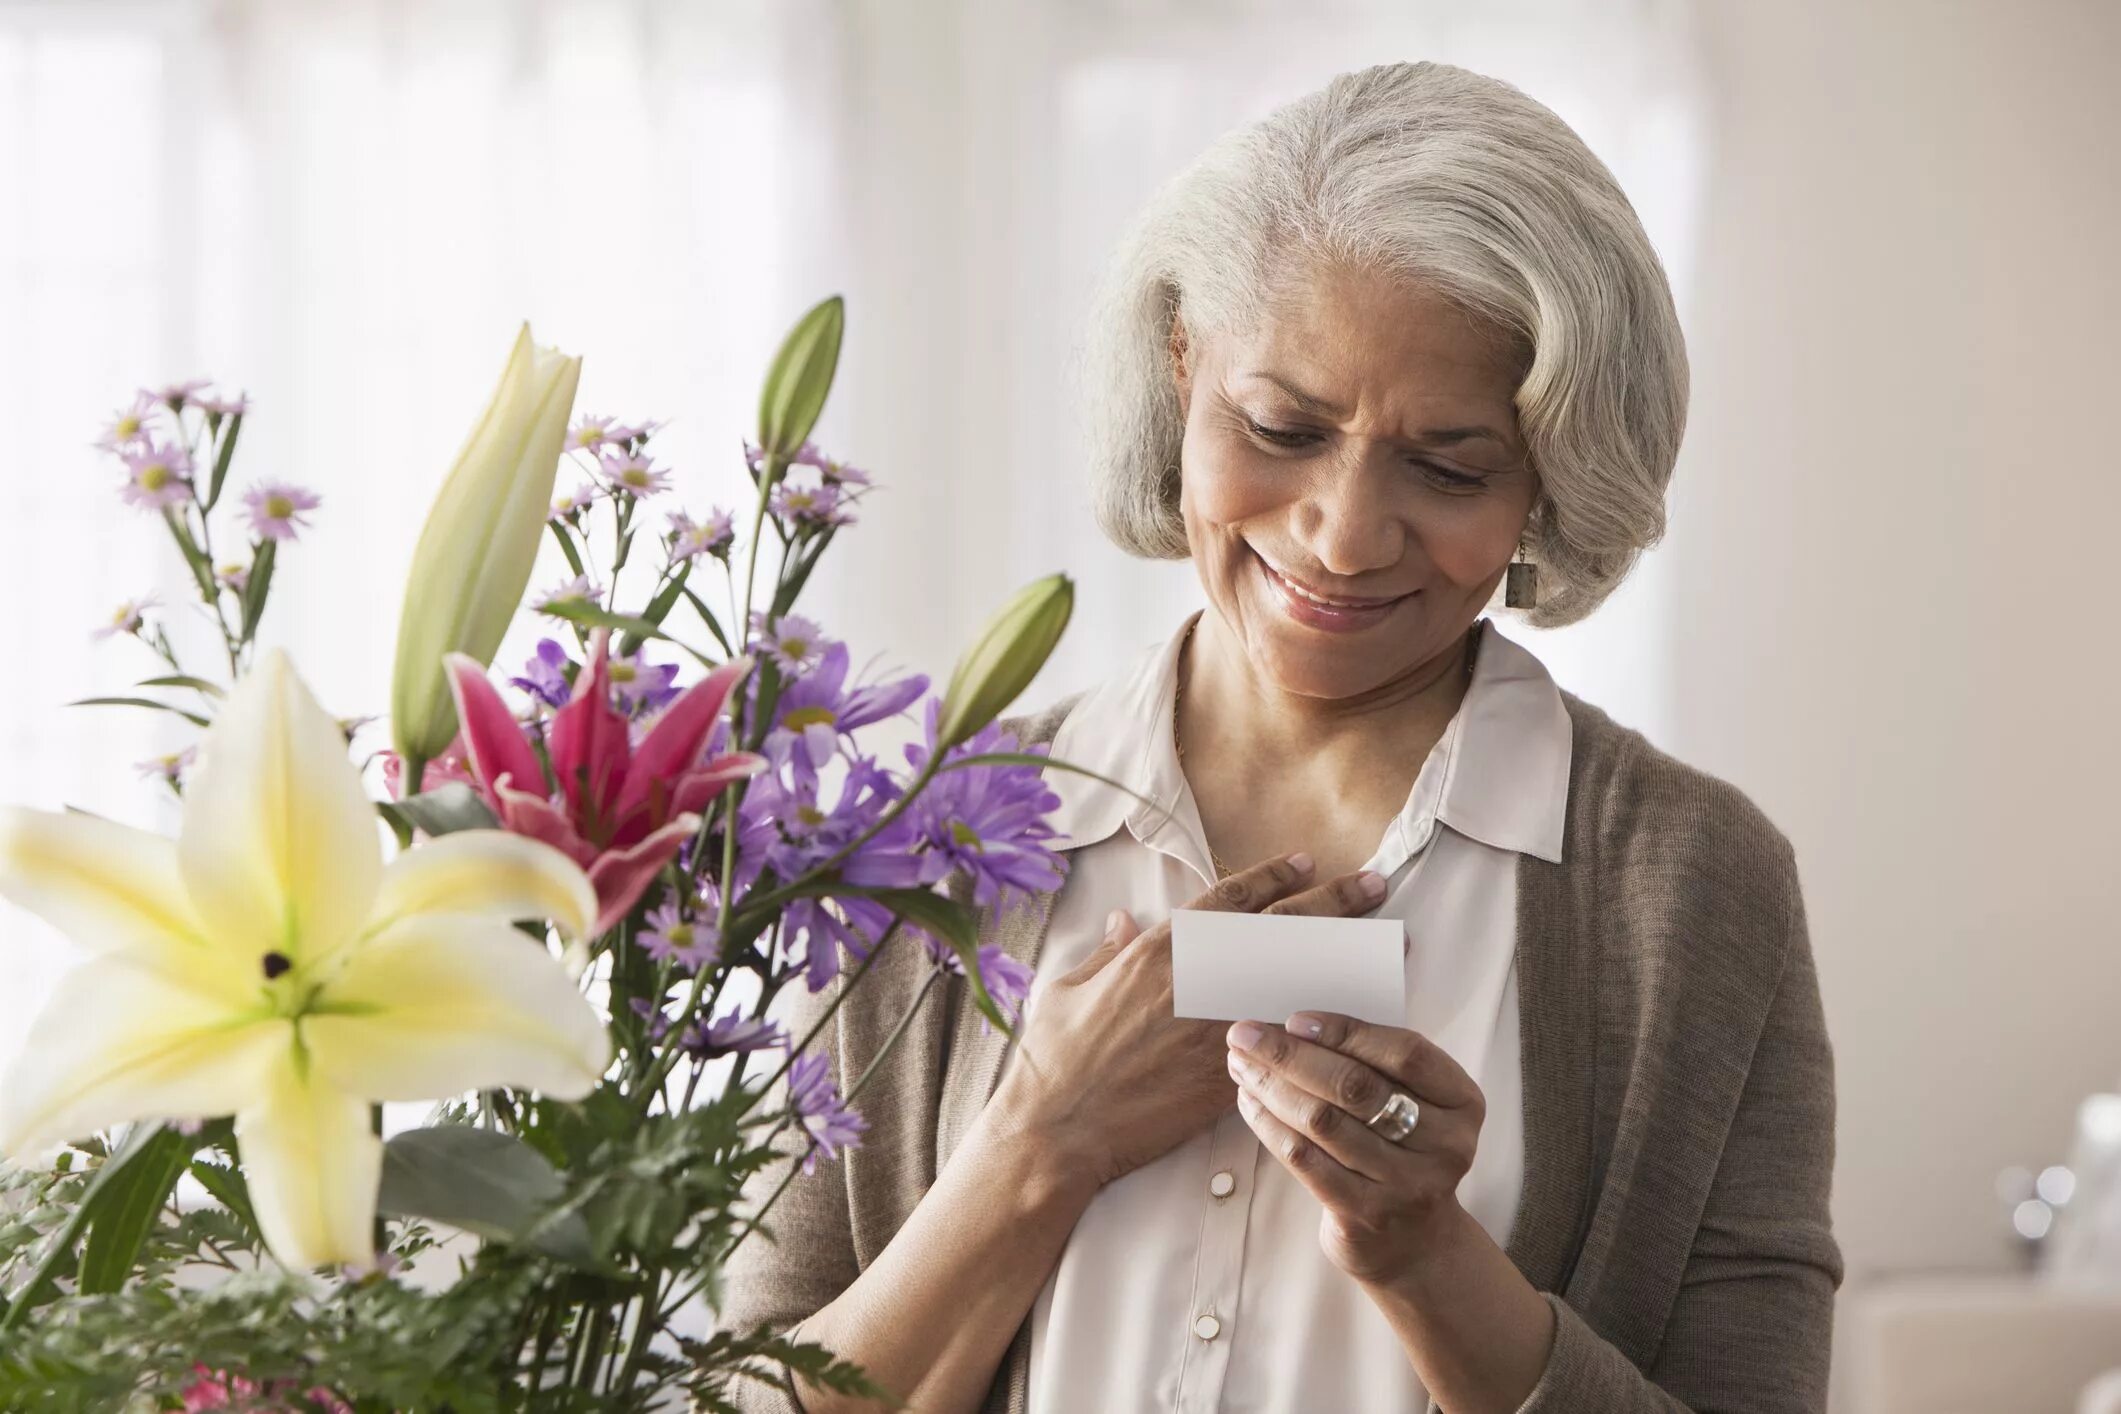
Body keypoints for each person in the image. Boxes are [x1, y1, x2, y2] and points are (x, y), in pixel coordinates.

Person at [716, 59, 1841, 1414]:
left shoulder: (1692, 886)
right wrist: (1037, 1141)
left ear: (1551, 468)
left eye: (1449, 463)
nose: (1344, 536)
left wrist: (1429, 1257)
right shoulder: (933, 837)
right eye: (1282, 427)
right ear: (1184, 363)